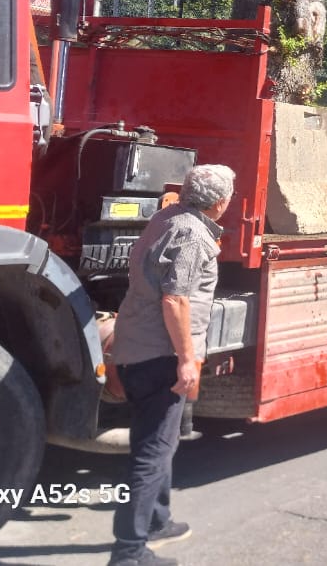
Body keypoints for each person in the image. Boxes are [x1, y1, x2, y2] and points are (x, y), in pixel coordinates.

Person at [107, 163, 234, 566]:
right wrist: (186, 360)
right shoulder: (193, 234)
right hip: (160, 356)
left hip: (136, 347)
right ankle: (129, 551)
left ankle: (157, 521)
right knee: (152, 451)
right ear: (220, 202)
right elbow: (175, 300)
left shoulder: (167, 218)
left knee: (159, 442)